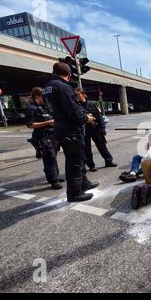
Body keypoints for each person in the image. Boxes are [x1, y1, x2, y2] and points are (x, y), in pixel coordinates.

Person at [43, 62, 99, 203]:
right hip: (71, 130)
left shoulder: (48, 87)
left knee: (79, 159)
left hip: (60, 128)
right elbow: (73, 110)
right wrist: (86, 118)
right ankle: (74, 194)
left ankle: (84, 183)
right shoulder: (64, 87)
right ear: (68, 75)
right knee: (75, 162)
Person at [26, 87, 63, 190]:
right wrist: (47, 123)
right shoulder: (31, 108)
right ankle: (53, 180)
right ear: (38, 96)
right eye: (44, 96)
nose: (46, 99)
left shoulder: (45, 107)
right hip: (42, 136)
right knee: (49, 158)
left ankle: (55, 176)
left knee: (53, 157)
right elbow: (30, 125)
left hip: (52, 135)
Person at [75, 88, 117, 172]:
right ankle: (91, 165)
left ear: (83, 94)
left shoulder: (91, 103)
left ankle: (108, 161)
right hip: (84, 129)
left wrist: (102, 128)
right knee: (87, 149)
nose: (77, 96)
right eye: (76, 95)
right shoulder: (76, 106)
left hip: (95, 128)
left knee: (102, 145)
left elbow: (99, 116)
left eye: (78, 94)